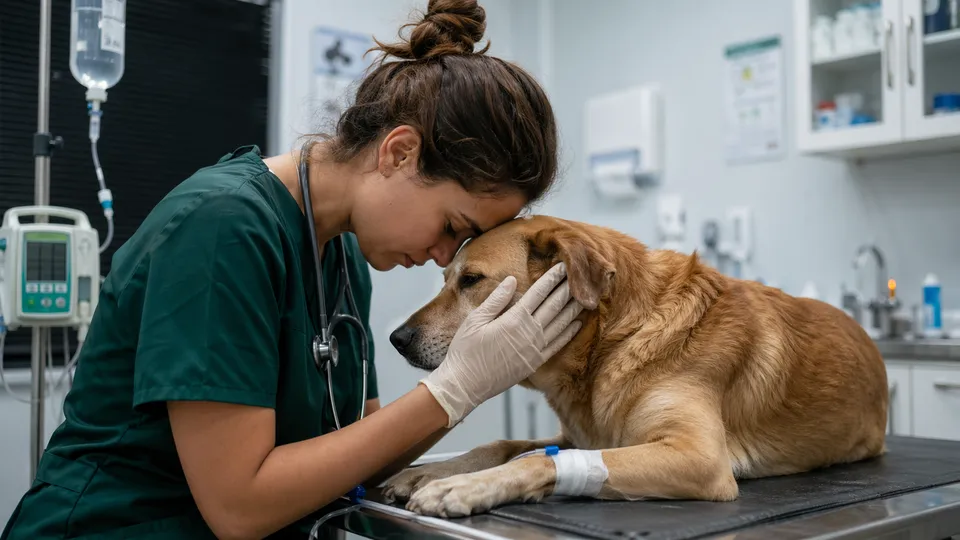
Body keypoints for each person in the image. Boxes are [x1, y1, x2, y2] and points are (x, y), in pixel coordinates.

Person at [1, 0, 583, 538]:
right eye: (453, 225)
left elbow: (361, 453)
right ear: (399, 152)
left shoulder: (343, 256)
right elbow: (239, 505)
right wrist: (453, 388)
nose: (444, 255)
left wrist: (469, 386)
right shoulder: (224, 228)